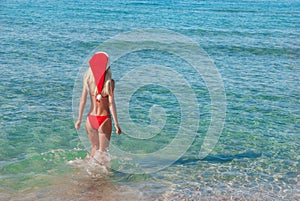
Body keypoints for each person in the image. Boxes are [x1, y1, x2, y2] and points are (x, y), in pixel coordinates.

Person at [75, 52, 121, 160]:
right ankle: (102, 176)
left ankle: (86, 169)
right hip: (104, 119)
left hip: (90, 119)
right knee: (103, 153)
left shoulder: (88, 79)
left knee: (94, 148)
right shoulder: (110, 82)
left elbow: (83, 100)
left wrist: (79, 119)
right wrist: (116, 124)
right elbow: (111, 103)